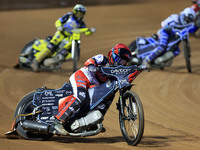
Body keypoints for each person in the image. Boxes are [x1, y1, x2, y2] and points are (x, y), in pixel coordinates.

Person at [49, 43, 137, 135]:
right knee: (80, 96)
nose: (120, 63)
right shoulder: (102, 59)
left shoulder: (115, 74)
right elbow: (90, 61)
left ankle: (87, 121)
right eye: (118, 59)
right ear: (111, 54)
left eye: (123, 62)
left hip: (93, 86)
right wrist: (91, 65)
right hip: (83, 76)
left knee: (107, 97)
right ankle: (57, 122)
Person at [31, 4, 95, 71]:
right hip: (61, 33)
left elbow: (86, 32)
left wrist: (90, 31)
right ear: (75, 12)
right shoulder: (68, 16)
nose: (79, 15)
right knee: (51, 46)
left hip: (70, 37)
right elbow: (59, 21)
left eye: (81, 14)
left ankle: (58, 59)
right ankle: (36, 61)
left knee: (68, 48)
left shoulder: (81, 23)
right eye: (78, 13)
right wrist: (59, 26)